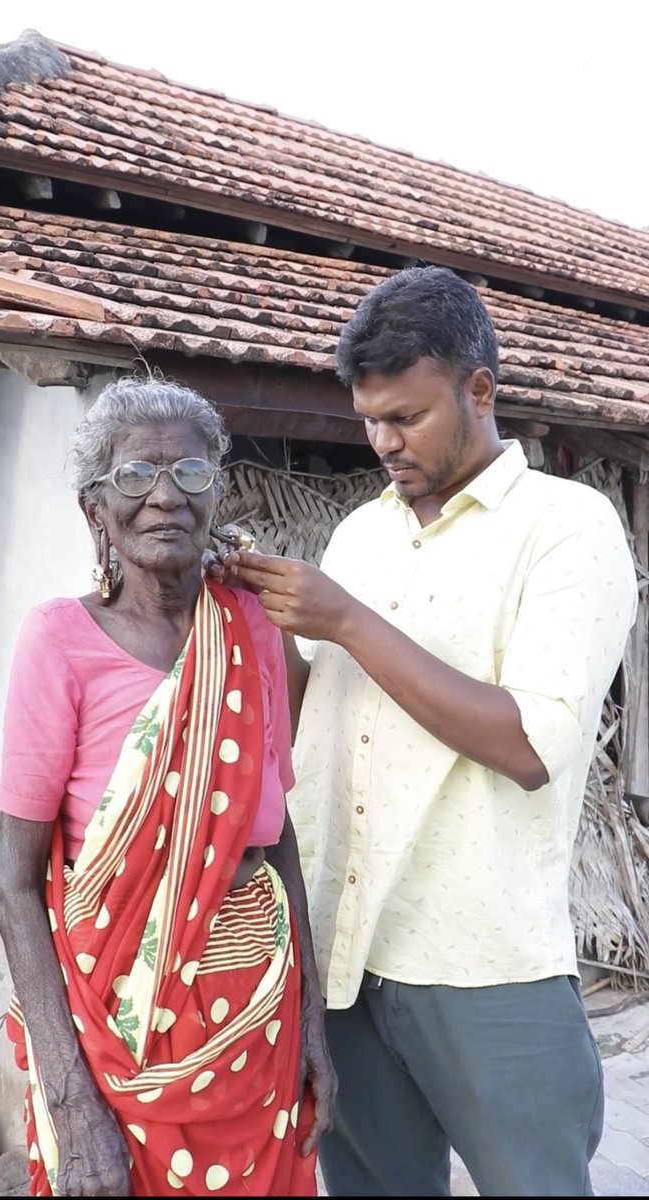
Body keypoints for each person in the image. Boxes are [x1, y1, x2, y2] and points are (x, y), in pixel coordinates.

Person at [221, 267, 638, 1197]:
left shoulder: (568, 528)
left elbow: (530, 745)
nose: (382, 441)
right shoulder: (360, 537)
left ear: (479, 390)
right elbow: (309, 721)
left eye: (405, 416)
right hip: (342, 957)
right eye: (369, 418)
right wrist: (259, 633)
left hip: (485, 963)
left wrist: (346, 622)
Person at [0, 375, 336, 1199]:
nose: (165, 497)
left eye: (190, 475)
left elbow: (275, 834)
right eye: (136, 476)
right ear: (95, 510)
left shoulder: (247, 625)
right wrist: (72, 1102)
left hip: (259, 1027)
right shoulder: (59, 639)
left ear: (216, 494)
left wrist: (314, 1026)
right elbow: (12, 881)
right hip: (117, 1038)